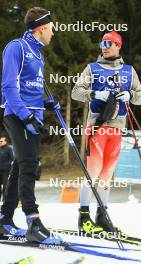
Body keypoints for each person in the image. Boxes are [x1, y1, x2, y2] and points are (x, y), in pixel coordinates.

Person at [72, 31, 141, 235]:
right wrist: (95, 93)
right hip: (97, 127)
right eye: (102, 43)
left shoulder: (129, 71)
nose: (104, 46)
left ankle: (102, 216)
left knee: (106, 176)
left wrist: (130, 94)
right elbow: (76, 92)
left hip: (117, 129)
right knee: (92, 174)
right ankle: (84, 217)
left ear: (118, 46)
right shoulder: (92, 68)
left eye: (109, 43)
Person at [0, 7, 62, 244]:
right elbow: (9, 87)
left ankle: (4, 219)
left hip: (32, 116)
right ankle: (33, 222)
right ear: (42, 28)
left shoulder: (39, 54)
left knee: (19, 167)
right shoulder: (17, 48)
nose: (53, 33)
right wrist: (26, 116)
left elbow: (28, 88)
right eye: (52, 29)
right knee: (29, 164)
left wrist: (45, 104)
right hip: (18, 115)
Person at [0, 137, 14, 201]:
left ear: (5, 142)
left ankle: (5, 198)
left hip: (6, 170)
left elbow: (12, 158)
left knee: (5, 185)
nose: (0, 142)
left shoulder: (9, 148)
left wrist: (7, 165)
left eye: (1, 141)